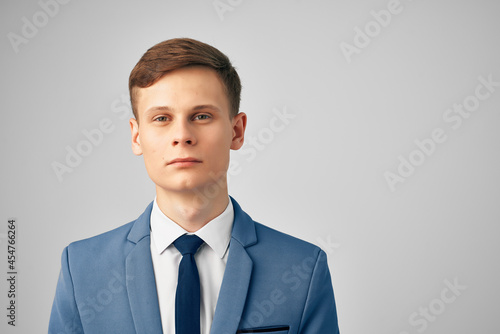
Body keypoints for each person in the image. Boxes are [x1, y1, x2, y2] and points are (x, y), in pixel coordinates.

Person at [49, 38, 340, 334]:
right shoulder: (82, 268)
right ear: (137, 137)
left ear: (236, 131)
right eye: (162, 118)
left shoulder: (303, 267)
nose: (182, 135)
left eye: (201, 116)